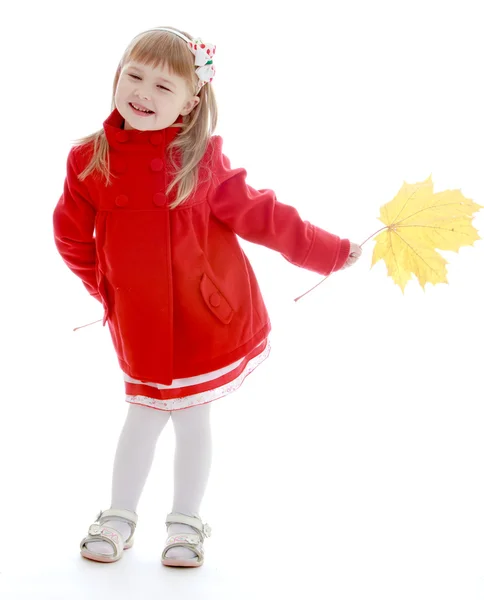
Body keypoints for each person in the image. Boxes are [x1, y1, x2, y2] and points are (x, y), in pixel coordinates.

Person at [52, 25, 362, 568]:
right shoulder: (89, 160)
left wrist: (329, 250)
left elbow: (264, 215)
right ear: (118, 77)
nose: (143, 94)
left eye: (163, 87)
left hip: (205, 318)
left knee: (193, 419)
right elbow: (72, 236)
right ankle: (119, 515)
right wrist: (106, 289)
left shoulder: (200, 162)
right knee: (142, 416)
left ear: (192, 102)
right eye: (135, 76)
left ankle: (185, 523)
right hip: (141, 323)